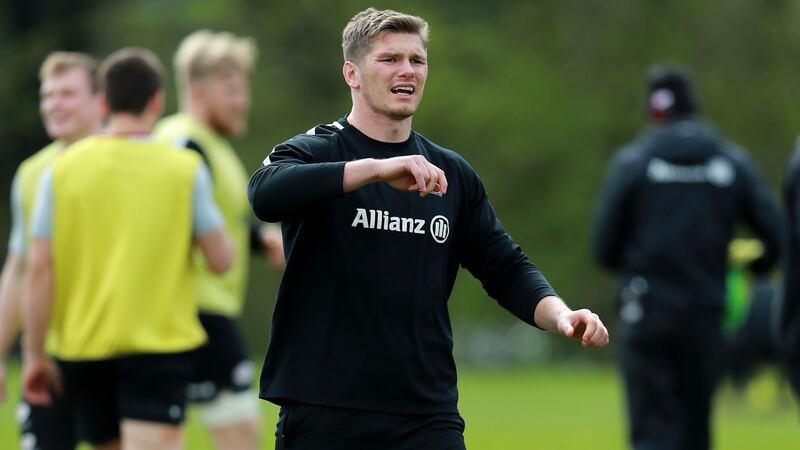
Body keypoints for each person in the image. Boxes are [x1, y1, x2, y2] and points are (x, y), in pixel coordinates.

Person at [248, 8, 609, 450]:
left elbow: (505, 267)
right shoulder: (316, 150)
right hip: (326, 409)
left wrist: (561, 315)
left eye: (417, 60)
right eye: (389, 59)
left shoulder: (450, 173)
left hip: (425, 413)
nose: (407, 71)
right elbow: (265, 194)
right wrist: (377, 170)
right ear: (352, 74)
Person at [22, 48, 234, 450]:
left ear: (102, 102)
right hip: (158, 347)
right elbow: (221, 260)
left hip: (82, 349)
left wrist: (34, 355)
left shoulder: (61, 169)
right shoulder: (184, 168)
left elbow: (39, 268)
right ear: (157, 101)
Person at [593, 64, 781, 450]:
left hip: (648, 313)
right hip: (705, 315)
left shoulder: (636, 162)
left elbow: (603, 248)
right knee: (696, 431)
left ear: (653, 112)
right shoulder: (730, 163)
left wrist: (637, 268)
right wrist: (748, 268)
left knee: (651, 431)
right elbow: (776, 236)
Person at [154, 30, 283, 449]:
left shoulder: (210, 145)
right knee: (240, 437)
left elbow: (209, 219)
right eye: (232, 90)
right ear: (197, 90)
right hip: (195, 311)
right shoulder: (182, 142)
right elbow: (164, 222)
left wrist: (259, 241)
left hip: (196, 310)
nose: (242, 101)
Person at [0, 51, 102, 450]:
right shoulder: (30, 173)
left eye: (68, 94)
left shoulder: (132, 159)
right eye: (48, 95)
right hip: (48, 357)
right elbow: (19, 268)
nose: (54, 105)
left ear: (100, 100)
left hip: (113, 353)